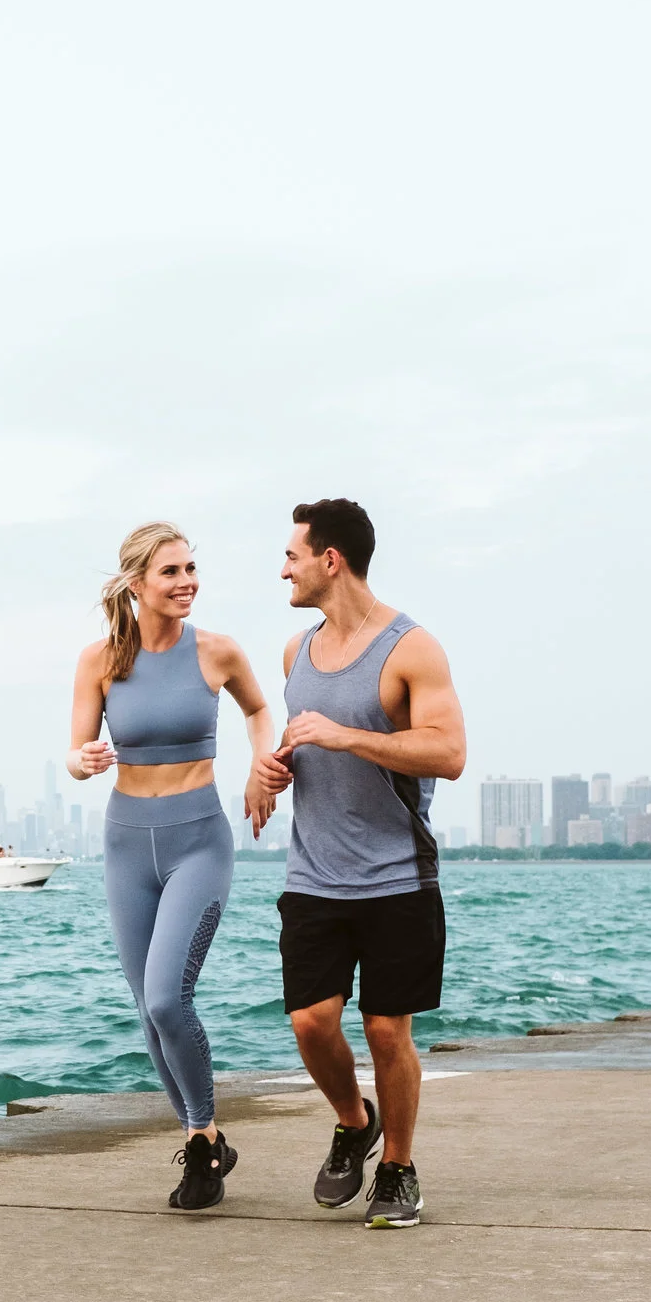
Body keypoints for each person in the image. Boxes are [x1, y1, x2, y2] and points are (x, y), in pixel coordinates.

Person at [247, 498, 466, 1228]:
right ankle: (354, 1120)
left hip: (397, 875)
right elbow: (301, 741)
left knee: (384, 1030)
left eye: (292, 555)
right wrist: (267, 773)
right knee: (311, 1022)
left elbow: (449, 752)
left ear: (329, 559)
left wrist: (348, 737)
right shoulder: (294, 652)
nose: (283, 568)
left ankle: (398, 1168)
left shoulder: (410, 647)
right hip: (313, 874)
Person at [70, 521, 278, 1210]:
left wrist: (261, 766)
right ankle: (203, 1142)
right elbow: (75, 750)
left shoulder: (217, 651)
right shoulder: (99, 660)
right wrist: (85, 759)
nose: (187, 581)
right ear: (137, 585)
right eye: (171, 571)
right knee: (146, 1010)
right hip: (127, 842)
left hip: (197, 840)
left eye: (191, 567)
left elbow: (257, 711)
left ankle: (202, 1134)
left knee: (167, 996)